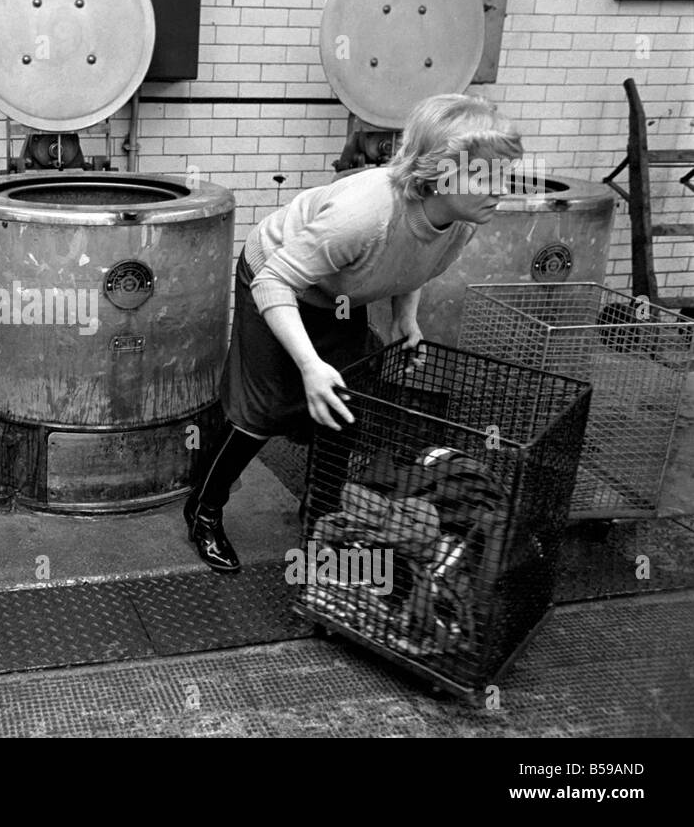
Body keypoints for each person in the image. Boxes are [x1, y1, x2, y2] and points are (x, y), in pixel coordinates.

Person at [184, 93, 523, 572]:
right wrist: (308, 365)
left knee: (344, 405)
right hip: (278, 279)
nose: (499, 188)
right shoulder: (363, 214)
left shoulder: (462, 221)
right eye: (481, 174)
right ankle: (204, 512)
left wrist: (407, 317)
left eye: (502, 174)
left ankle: (321, 511)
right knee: (260, 409)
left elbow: (414, 265)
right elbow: (274, 281)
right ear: (436, 172)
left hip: (338, 294)